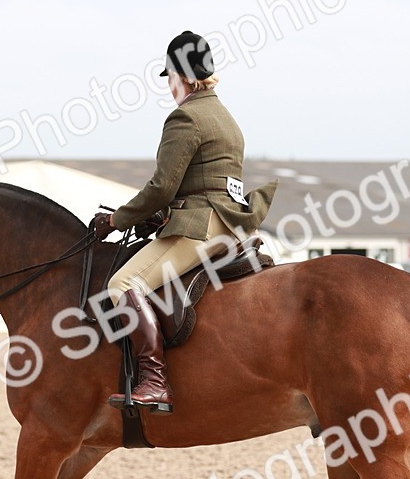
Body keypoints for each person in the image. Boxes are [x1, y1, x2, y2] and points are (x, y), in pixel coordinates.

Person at [89, 30, 278, 414]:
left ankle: (155, 382)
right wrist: (161, 214)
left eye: (170, 77)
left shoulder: (186, 116)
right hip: (235, 224)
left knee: (123, 283)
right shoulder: (225, 117)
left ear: (185, 75)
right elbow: (206, 180)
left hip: (202, 226)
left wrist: (115, 220)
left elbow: (161, 187)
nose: (169, 86)